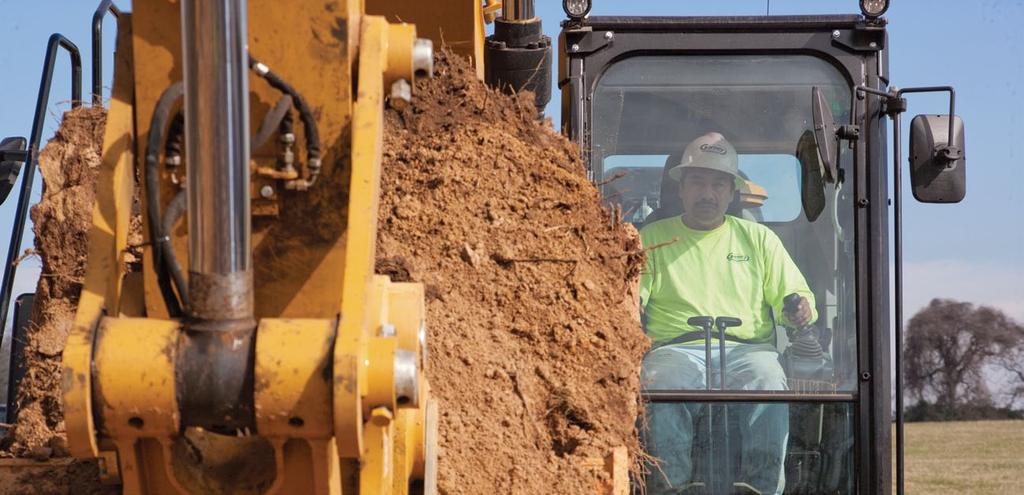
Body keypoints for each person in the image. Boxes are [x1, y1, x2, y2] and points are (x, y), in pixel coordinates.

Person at [639, 132, 816, 495]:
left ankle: (759, 488)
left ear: (732, 192)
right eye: (698, 182)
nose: (708, 193)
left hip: (748, 351)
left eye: (718, 184)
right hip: (675, 349)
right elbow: (630, 302)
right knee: (660, 380)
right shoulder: (650, 238)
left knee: (767, 379)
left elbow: (795, 297)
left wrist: (798, 309)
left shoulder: (759, 239)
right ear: (681, 189)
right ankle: (673, 487)